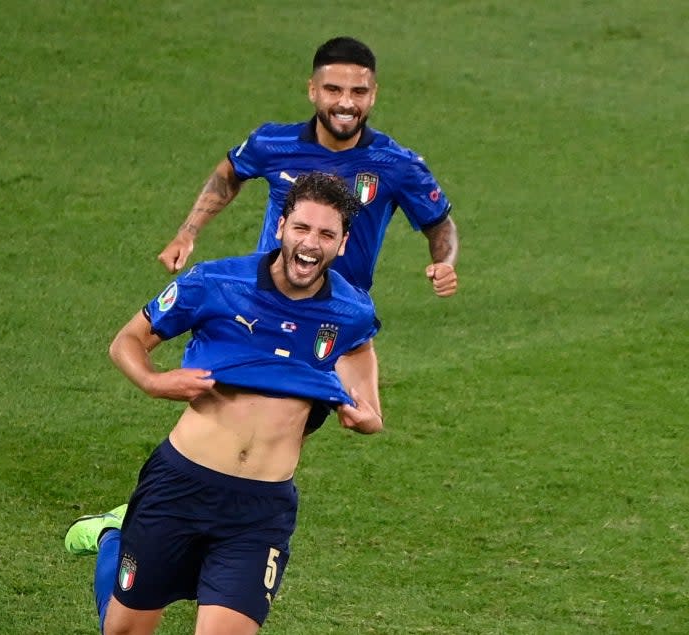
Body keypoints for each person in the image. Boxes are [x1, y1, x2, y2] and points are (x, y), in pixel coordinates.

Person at [75, 173, 384, 635]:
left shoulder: (351, 310)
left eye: (326, 234)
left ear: (342, 244)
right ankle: (111, 537)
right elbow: (128, 340)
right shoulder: (215, 282)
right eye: (302, 228)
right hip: (179, 487)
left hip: (260, 509)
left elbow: (359, 355)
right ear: (280, 226)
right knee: (124, 632)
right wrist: (154, 382)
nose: (311, 243)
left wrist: (368, 416)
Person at [157, 35, 459, 297]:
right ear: (313, 90)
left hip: (339, 313)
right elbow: (230, 171)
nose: (346, 104)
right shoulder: (272, 143)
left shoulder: (398, 164)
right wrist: (188, 232)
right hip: (266, 301)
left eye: (359, 92)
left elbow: (440, 224)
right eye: (333, 90)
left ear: (374, 95)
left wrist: (444, 263)